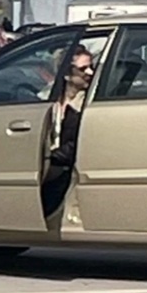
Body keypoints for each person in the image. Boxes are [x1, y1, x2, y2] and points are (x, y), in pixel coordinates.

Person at [43, 42, 97, 218]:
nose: (90, 73)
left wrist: (51, 159)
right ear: (66, 74)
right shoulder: (45, 99)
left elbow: (73, 146)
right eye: (83, 69)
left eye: (91, 67)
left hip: (64, 168)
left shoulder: (87, 103)